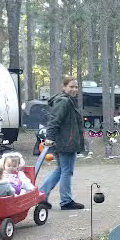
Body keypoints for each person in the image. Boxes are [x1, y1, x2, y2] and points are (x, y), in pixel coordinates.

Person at [40, 76, 85, 210]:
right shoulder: (63, 101)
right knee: (67, 171)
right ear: (64, 87)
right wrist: (50, 137)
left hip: (65, 141)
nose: (74, 89)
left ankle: (42, 195)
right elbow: (54, 120)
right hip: (65, 143)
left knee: (61, 169)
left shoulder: (68, 101)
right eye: (71, 86)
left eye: (76, 87)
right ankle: (66, 201)